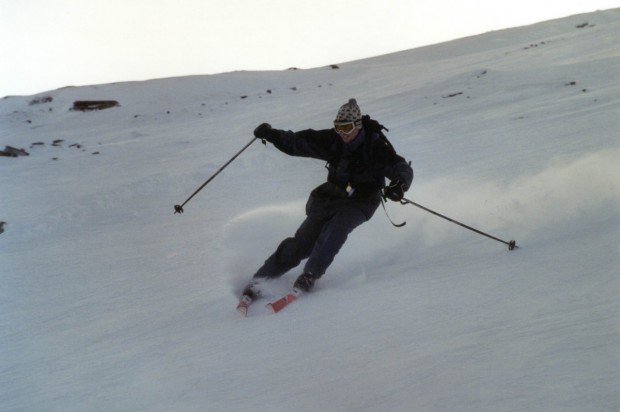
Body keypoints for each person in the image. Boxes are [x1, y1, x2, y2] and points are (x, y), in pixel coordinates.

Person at [239, 98, 413, 306]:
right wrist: (271, 134)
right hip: (331, 196)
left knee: (335, 229)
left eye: (347, 127)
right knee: (302, 243)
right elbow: (299, 143)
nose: (342, 133)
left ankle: (310, 275)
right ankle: (261, 279)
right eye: (338, 127)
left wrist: (399, 185)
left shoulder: (375, 145)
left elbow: (400, 167)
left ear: (357, 125)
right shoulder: (334, 140)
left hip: (362, 200)